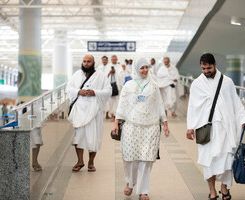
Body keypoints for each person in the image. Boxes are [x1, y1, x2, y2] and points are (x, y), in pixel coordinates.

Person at [186, 53, 245, 200]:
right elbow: (192, 107)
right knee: (208, 162)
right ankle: (212, 191)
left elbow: (236, 103)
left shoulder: (227, 82)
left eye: (209, 68)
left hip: (225, 129)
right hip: (206, 129)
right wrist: (190, 127)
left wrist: (243, 119)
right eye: (203, 68)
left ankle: (224, 188)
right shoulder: (197, 84)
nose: (206, 71)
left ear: (215, 64)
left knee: (227, 159)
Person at [113, 58, 170, 200]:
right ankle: (130, 182)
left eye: (146, 67)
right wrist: (116, 123)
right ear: (136, 69)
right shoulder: (129, 85)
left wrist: (165, 123)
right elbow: (122, 105)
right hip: (131, 126)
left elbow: (159, 104)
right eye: (141, 68)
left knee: (146, 159)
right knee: (130, 158)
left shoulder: (154, 86)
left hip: (151, 127)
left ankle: (143, 190)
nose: (145, 70)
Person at [66, 54, 112, 172]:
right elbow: (68, 88)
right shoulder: (77, 75)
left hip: (94, 110)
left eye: (89, 61)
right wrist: (78, 91)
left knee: (93, 137)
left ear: (93, 63)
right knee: (78, 137)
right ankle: (80, 161)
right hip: (80, 110)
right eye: (84, 61)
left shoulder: (101, 76)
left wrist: (95, 92)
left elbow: (108, 91)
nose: (86, 63)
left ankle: (91, 162)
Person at [107, 55, 122, 121]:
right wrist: (110, 72)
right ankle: (112, 115)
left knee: (118, 101)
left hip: (117, 86)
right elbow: (105, 76)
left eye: (114, 59)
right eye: (112, 59)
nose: (113, 60)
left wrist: (115, 73)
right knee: (110, 102)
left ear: (116, 59)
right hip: (110, 86)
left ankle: (117, 115)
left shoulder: (119, 67)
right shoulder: (108, 66)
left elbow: (121, 75)